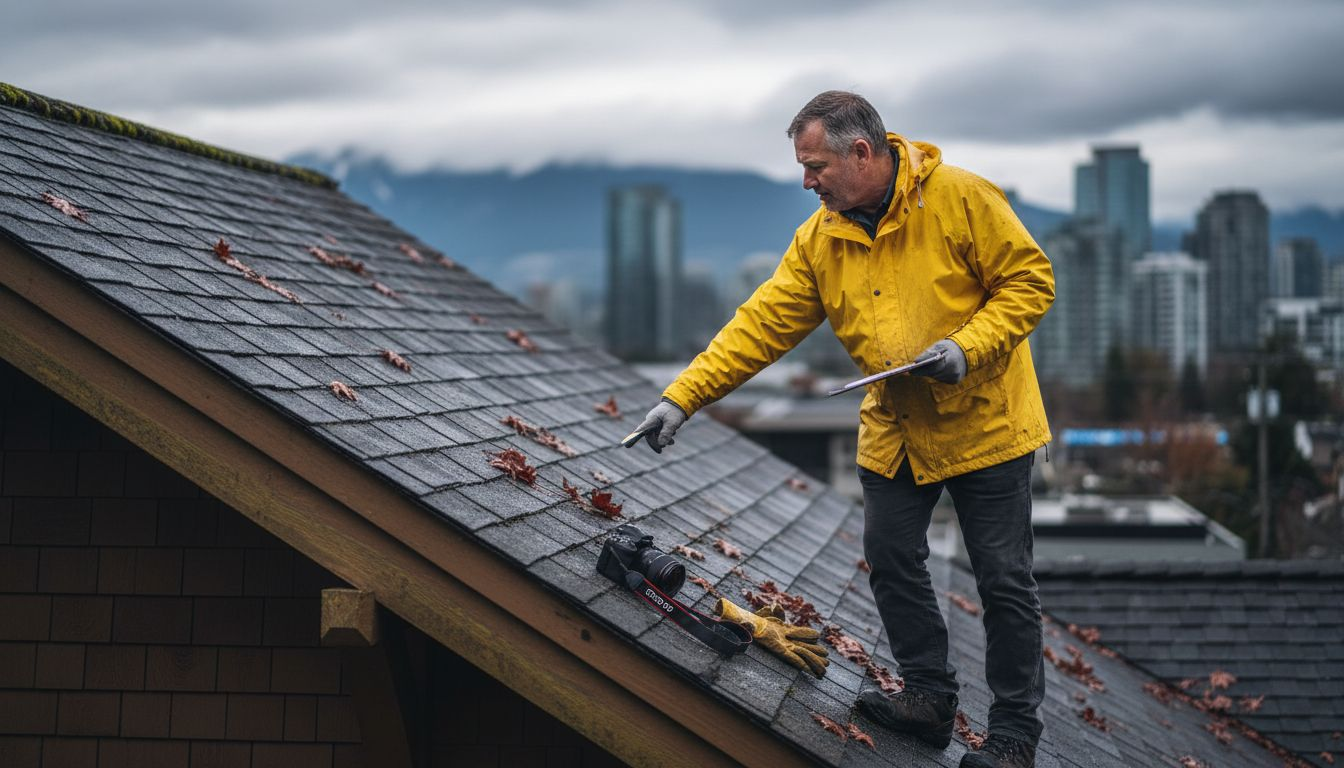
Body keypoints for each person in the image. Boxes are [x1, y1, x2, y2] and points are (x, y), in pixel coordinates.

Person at [633, 91, 1053, 768]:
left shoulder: (962, 198)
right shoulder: (821, 239)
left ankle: (1012, 740)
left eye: (815, 165)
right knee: (890, 556)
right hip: (897, 427)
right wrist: (682, 398)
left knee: (1004, 581)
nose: (807, 181)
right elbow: (761, 326)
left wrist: (969, 347)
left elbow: (1030, 280)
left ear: (862, 153)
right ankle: (928, 699)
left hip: (986, 422)